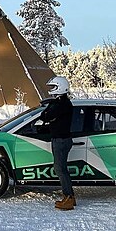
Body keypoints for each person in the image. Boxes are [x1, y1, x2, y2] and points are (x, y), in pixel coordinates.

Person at [39, 76, 75, 211]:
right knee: (62, 169)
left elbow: (45, 116)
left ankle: (69, 198)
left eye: (54, 87)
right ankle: (69, 197)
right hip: (60, 139)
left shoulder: (62, 104)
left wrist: (49, 106)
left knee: (60, 169)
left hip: (61, 141)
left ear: (61, 87)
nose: (52, 91)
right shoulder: (62, 103)